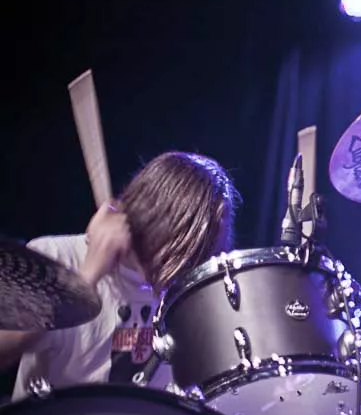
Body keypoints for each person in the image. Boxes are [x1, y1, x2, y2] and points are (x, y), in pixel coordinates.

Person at [0, 151, 241, 401]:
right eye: (187, 254)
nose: (186, 271)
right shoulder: (56, 258)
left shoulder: (183, 295)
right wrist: (87, 277)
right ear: (158, 220)